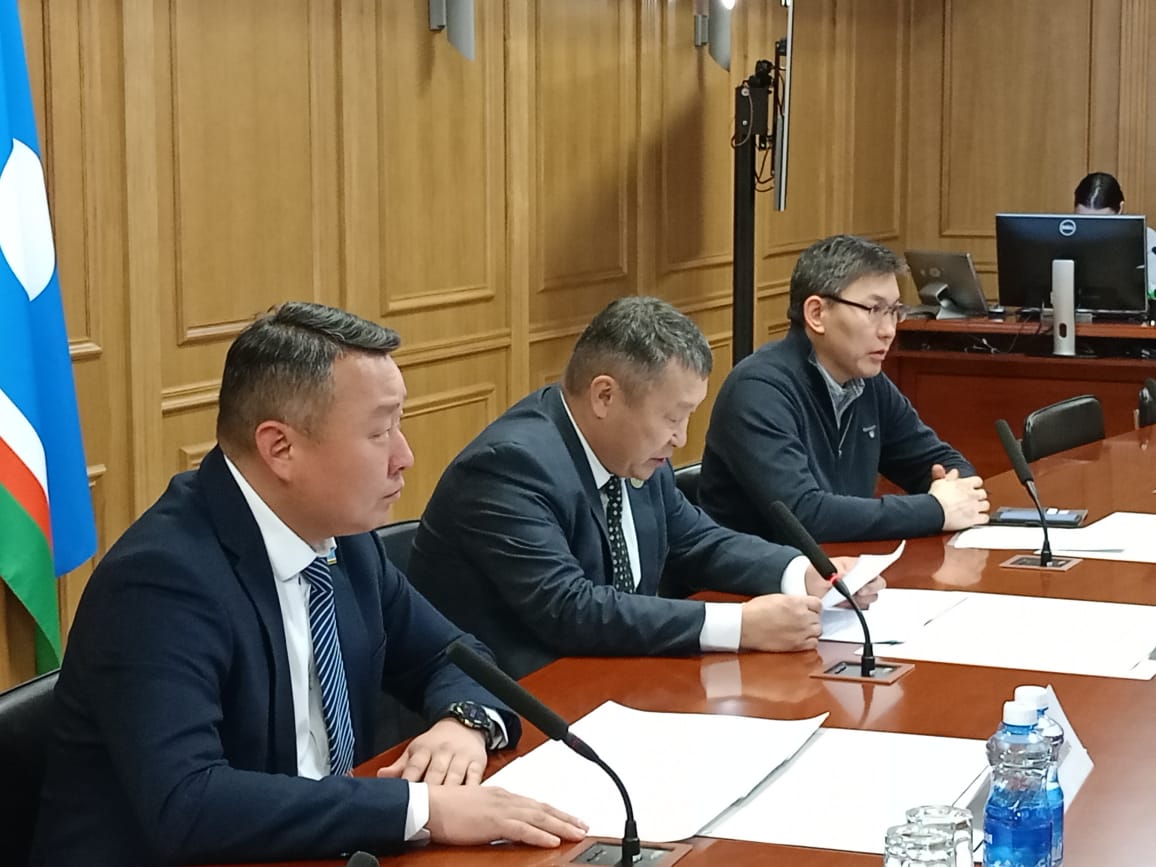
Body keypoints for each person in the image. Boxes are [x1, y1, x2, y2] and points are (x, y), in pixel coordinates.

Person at [31, 303, 586, 867]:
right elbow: (190, 803)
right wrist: (422, 809)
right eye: (379, 431)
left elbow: (453, 657)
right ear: (280, 448)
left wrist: (463, 724)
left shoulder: (344, 542)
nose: (404, 457)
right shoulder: (161, 583)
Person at [406, 296, 881, 680]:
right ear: (605, 396)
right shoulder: (510, 467)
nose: (681, 438)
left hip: (619, 680)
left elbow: (697, 540)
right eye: (672, 417)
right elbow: (570, 609)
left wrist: (803, 572)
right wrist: (739, 626)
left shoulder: (628, 452)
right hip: (527, 709)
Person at [699, 234, 989, 544]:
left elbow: (941, 462)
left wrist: (954, 491)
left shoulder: (868, 382)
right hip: (765, 572)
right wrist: (935, 509)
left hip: (846, 565)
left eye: (894, 310)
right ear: (816, 314)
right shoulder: (758, 391)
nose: (889, 330)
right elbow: (805, 516)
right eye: (873, 309)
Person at [1073, 170, 1156, 297]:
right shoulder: (1063, 239)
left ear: (1120, 209)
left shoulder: (1147, 241)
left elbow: (1152, 291)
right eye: (1084, 220)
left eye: (1102, 222)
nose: (1094, 229)